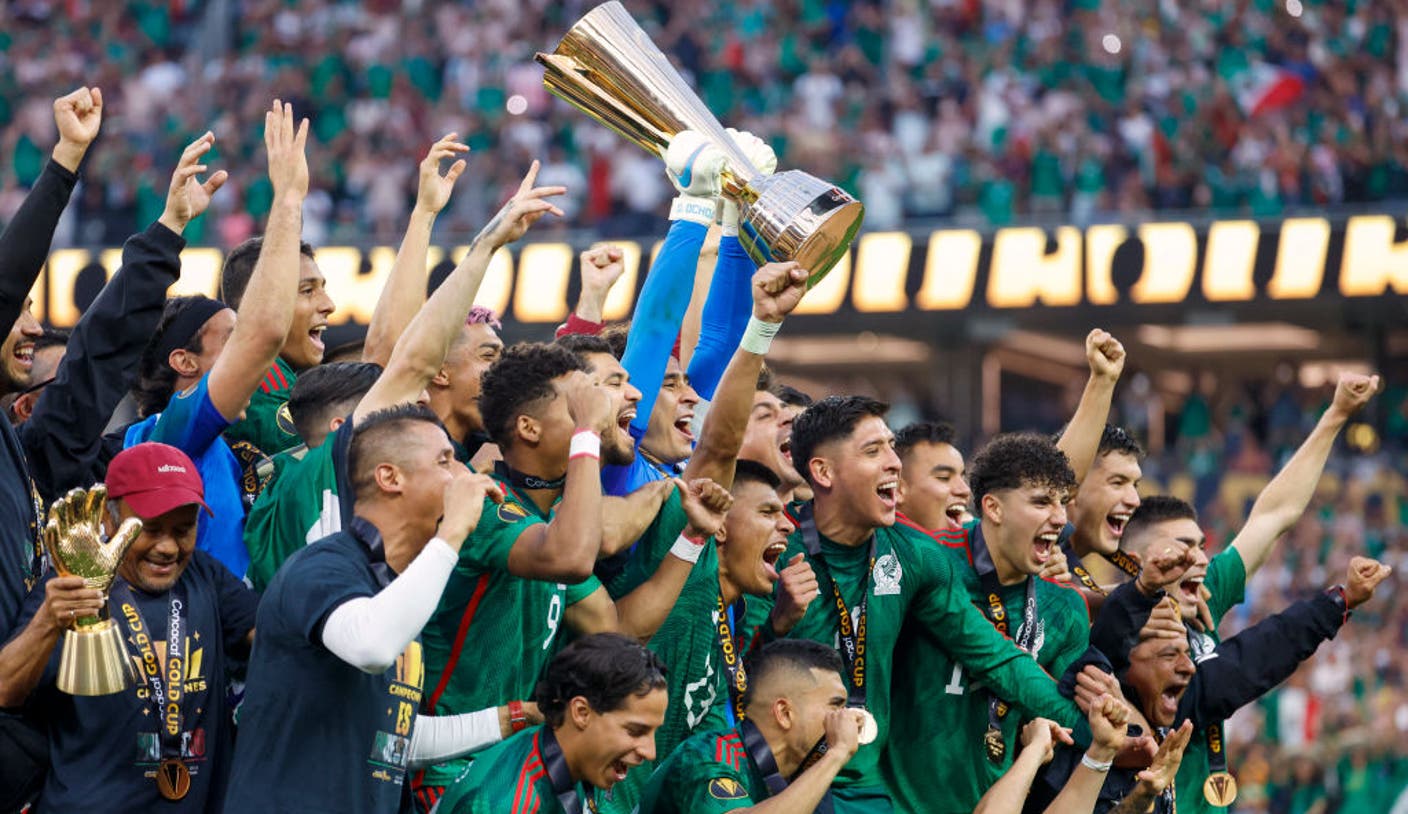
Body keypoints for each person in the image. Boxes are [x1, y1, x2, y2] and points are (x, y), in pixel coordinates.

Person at [414, 339, 731, 812]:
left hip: (515, 764)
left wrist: (692, 538)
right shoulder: (485, 503)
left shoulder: (550, 522)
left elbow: (616, 630)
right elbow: (572, 557)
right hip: (449, 774)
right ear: (529, 428)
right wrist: (586, 432)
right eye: (578, 405)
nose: (597, 414)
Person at [241, 154, 564, 591]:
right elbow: (405, 363)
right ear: (342, 430)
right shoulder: (312, 473)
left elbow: (390, 356)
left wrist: (424, 214)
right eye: (394, 408)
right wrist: (484, 246)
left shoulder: (299, 484)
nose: (421, 397)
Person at [761, 395, 1093, 813]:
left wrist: (1097, 733)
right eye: (873, 450)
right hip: (780, 777)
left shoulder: (916, 555)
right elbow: (732, 670)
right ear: (823, 471)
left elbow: (995, 656)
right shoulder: (773, 539)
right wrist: (777, 624)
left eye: (891, 447)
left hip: (864, 785)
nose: (893, 463)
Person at [225, 405, 518, 814]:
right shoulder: (323, 567)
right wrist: (454, 530)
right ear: (390, 477)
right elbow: (371, 646)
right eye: (444, 461)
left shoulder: (396, 589)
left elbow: (393, 737)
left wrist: (516, 717)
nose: (463, 476)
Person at [0, 443, 257, 813]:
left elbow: (272, 639)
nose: (168, 548)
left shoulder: (205, 576)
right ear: (109, 520)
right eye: (149, 530)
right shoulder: (71, 587)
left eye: (183, 530)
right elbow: (5, 691)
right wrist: (48, 621)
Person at [124, 100, 311, 579]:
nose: (250, 353)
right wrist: (288, 200)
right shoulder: (164, 437)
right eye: (232, 337)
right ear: (185, 362)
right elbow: (264, 334)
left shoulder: (222, 450)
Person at [884, 433, 1094, 814]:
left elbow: (1071, 716)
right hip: (897, 805)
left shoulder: (1065, 608)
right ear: (993, 508)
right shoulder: (930, 560)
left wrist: (1108, 722)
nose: (1061, 518)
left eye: (1063, 503)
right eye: (1041, 502)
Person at [431, 633, 670, 814]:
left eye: (653, 732)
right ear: (581, 712)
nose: (650, 752)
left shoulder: (569, 753)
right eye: (635, 731)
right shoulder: (506, 805)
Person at [636, 640, 866, 813]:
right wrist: (837, 753)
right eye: (836, 705)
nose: (848, 717)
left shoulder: (803, 778)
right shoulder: (707, 757)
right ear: (784, 713)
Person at [893, 420, 972, 532]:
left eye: (963, 478)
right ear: (898, 489)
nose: (965, 490)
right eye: (944, 478)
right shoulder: (877, 539)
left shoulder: (980, 535)